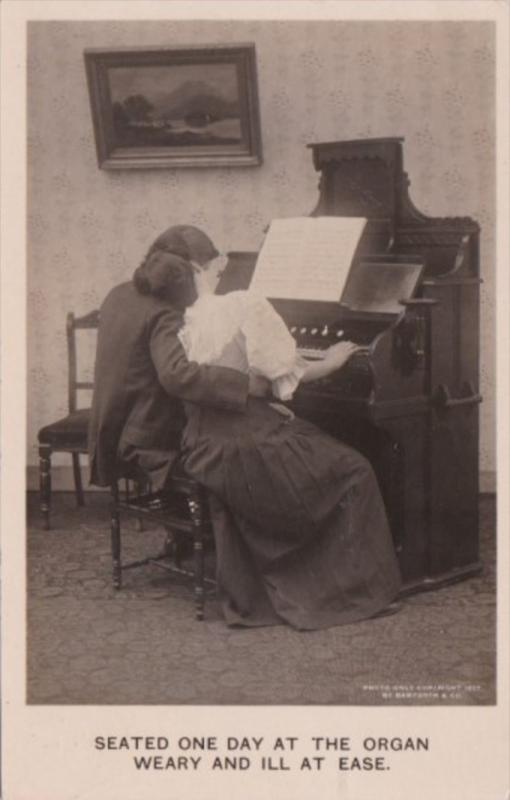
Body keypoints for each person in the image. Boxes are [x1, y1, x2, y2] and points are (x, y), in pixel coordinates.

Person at [89, 224, 402, 630]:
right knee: (346, 466)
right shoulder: (173, 311)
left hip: (123, 425)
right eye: (215, 270)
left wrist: (260, 399)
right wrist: (253, 389)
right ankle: (343, 581)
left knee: (279, 443)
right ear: (197, 270)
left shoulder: (122, 294)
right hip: (158, 437)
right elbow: (178, 377)